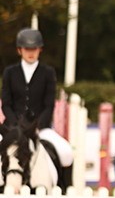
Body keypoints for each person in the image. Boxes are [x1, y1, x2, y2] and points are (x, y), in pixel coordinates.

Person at [1, 28, 74, 187]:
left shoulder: (47, 73)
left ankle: (66, 193)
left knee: (66, 151)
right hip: (11, 129)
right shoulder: (10, 73)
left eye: (34, 49)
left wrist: (37, 126)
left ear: (40, 49)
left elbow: (49, 105)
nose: (31, 53)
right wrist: (16, 127)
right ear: (19, 50)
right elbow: (6, 104)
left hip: (40, 128)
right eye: (27, 49)